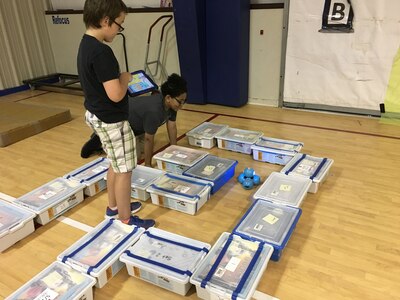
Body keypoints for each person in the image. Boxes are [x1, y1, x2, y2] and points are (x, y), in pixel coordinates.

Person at [77, 0, 155, 228]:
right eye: (119, 25)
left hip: (96, 115)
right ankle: (125, 218)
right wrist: (125, 78)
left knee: (115, 163)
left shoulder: (85, 44)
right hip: (112, 121)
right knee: (124, 170)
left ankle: (114, 207)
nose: (119, 30)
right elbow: (116, 94)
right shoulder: (102, 52)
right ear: (105, 21)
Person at [81, 73, 188, 167]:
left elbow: (172, 126)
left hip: (137, 126)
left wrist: (175, 150)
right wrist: (148, 164)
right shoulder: (154, 111)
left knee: (142, 149)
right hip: (120, 123)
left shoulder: (172, 105)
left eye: (184, 101)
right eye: (180, 101)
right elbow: (148, 139)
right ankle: (99, 138)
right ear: (168, 98)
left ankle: (108, 136)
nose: (182, 105)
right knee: (133, 160)